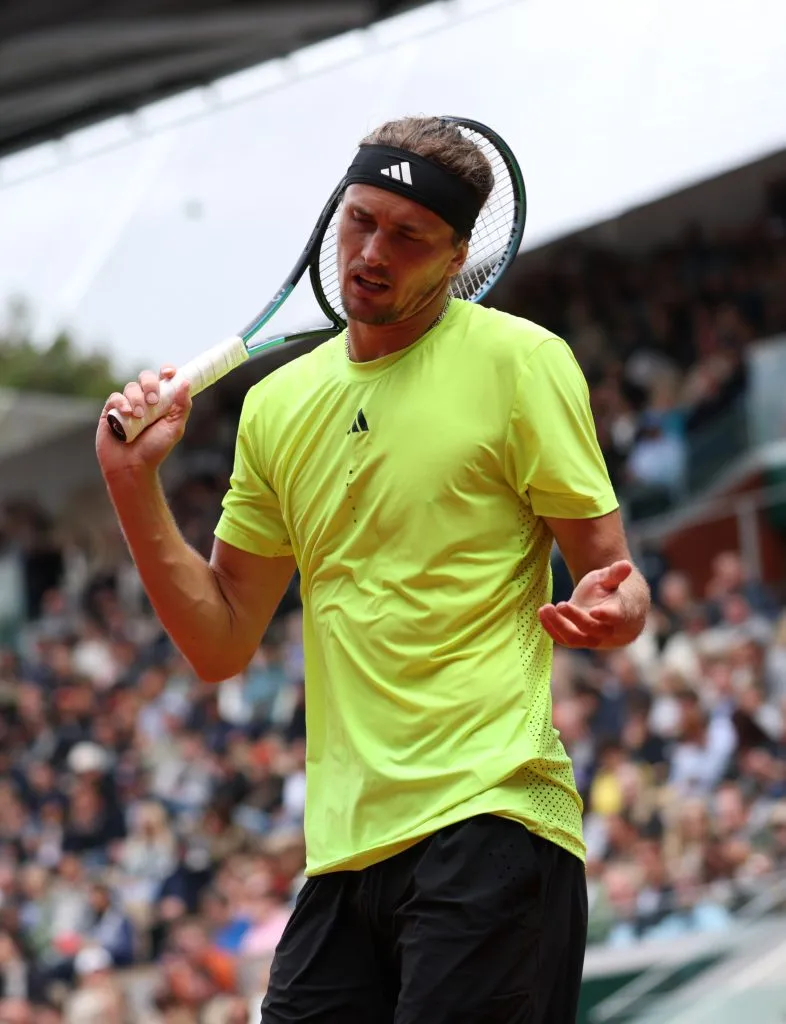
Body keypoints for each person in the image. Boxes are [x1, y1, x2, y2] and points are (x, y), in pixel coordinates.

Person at [96, 115, 651, 1024]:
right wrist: (131, 484)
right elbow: (221, 637)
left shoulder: (522, 363)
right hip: (344, 857)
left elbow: (616, 577)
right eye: (359, 220)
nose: (372, 251)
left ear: (457, 256)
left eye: (409, 236)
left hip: (494, 818)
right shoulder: (277, 408)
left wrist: (615, 606)